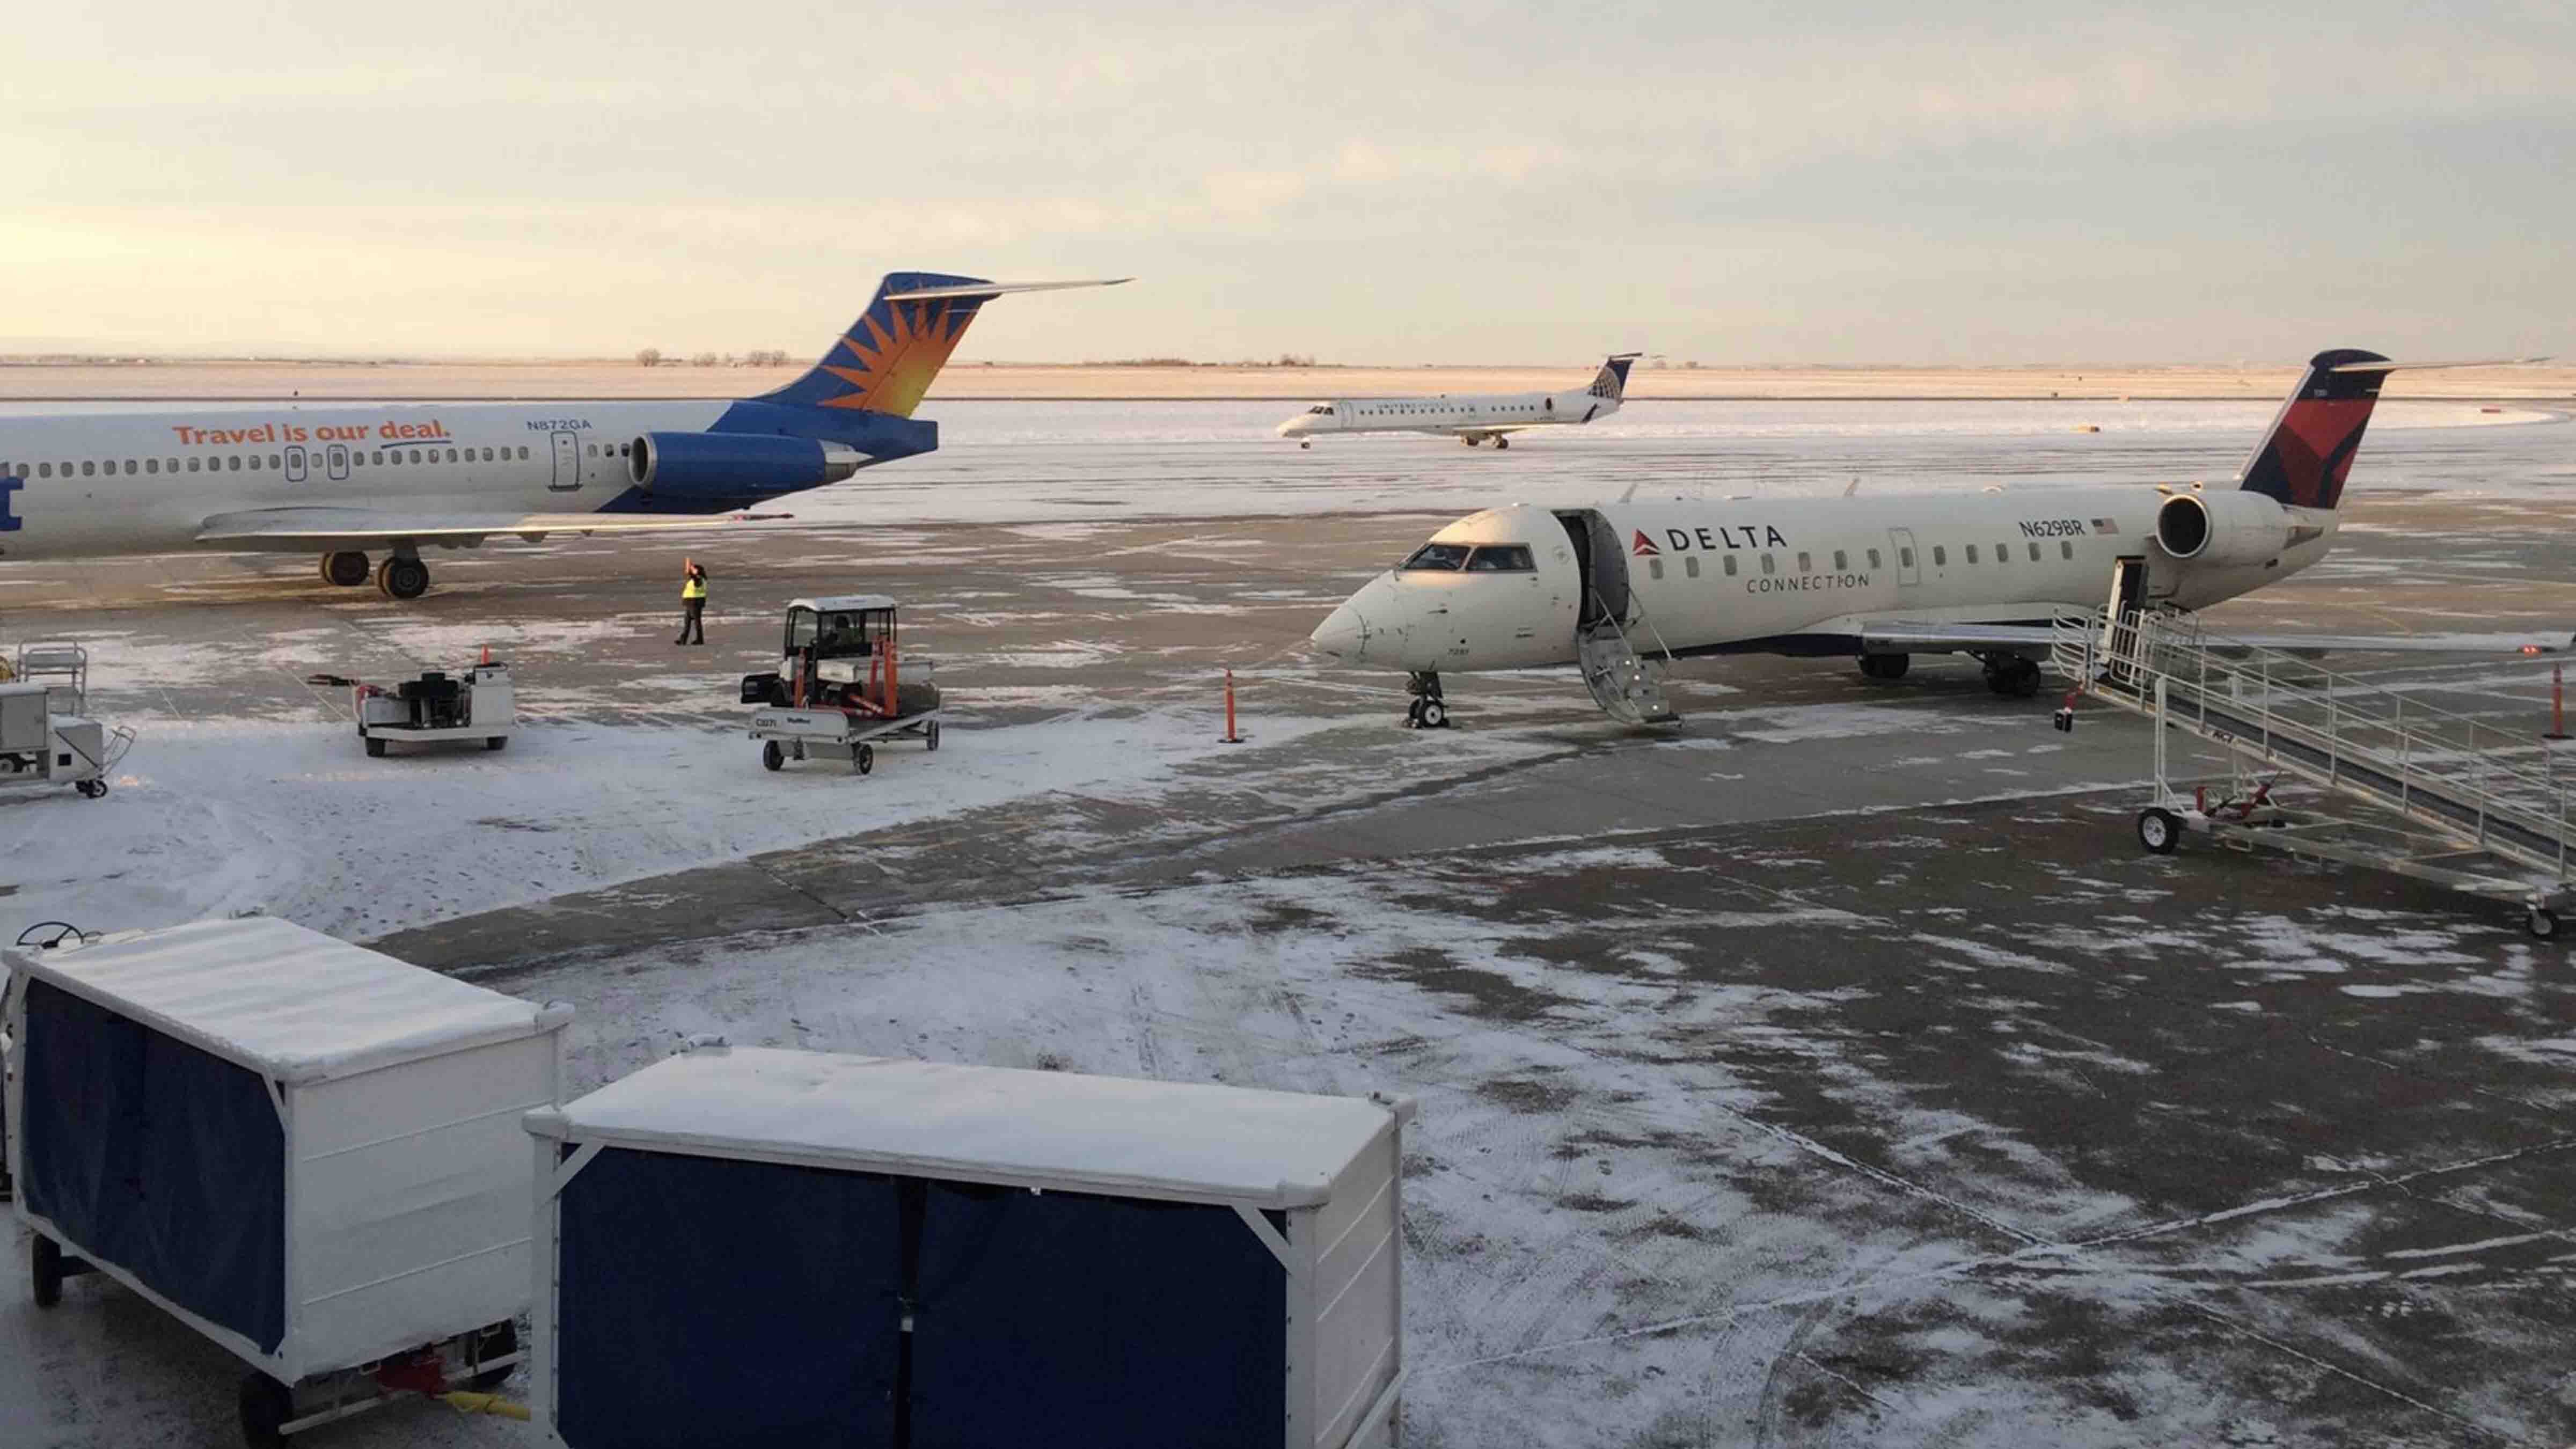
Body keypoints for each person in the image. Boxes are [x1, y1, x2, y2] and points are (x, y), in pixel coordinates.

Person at [676, 561, 707, 645]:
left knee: (697, 622)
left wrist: (691, 571)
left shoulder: (699, 580)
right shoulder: (696, 579)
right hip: (691, 603)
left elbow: (695, 579)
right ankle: (683, 640)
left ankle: (700, 640)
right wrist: (690, 569)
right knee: (687, 622)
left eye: (694, 569)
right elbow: (691, 576)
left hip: (695, 603)